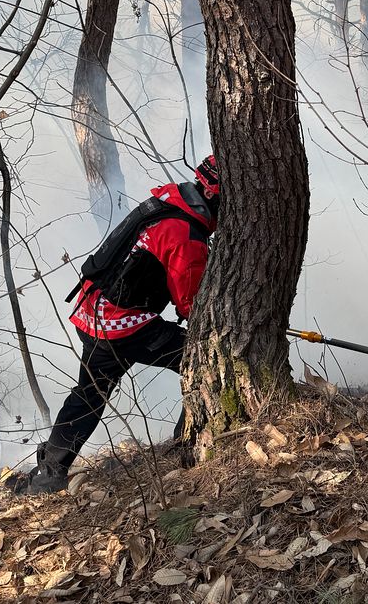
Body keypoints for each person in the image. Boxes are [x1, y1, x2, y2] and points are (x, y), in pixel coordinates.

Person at [14, 155, 221, 493]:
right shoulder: (186, 235)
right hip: (122, 323)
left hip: (92, 309)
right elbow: (190, 302)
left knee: (90, 393)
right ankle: (189, 444)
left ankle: (51, 471)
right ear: (214, 195)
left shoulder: (168, 200)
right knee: (202, 361)